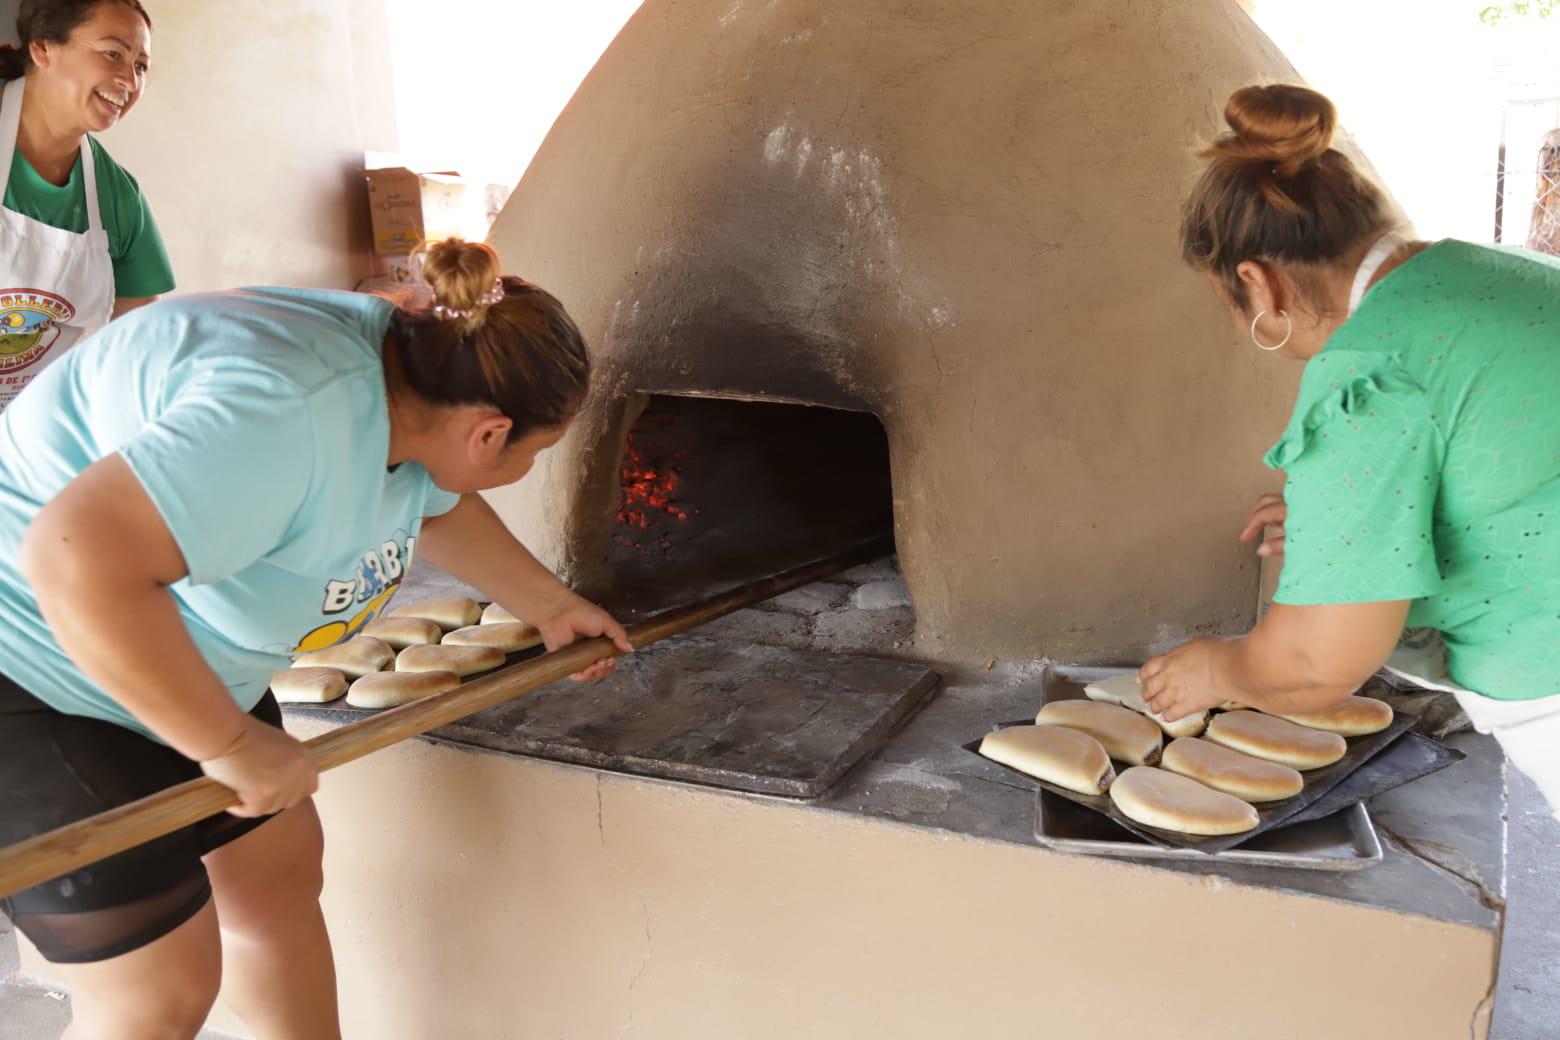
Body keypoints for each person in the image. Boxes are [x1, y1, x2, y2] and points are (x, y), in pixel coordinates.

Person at [0, 237, 633, 1038]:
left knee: (277, 876)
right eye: (535, 451)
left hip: (182, 647)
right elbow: (72, 556)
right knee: (159, 992)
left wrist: (548, 604)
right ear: (487, 433)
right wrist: (227, 741)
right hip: (34, 660)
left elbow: (434, 500)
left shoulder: (416, 376)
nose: (531, 465)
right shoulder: (286, 413)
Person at [1139, 84, 1560, 814]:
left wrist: (1216, 671)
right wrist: (1345, 527)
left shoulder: (1367, 374)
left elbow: (1313, 663)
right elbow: (1505, 466)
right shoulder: (1502, 273)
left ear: (1256, 284)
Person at [0, 0, 173, 411]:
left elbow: (135, 345)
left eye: (142, 66)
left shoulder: (118, 198)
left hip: (30, 438)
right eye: (112, 53)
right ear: (43, 48)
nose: (129, 80)